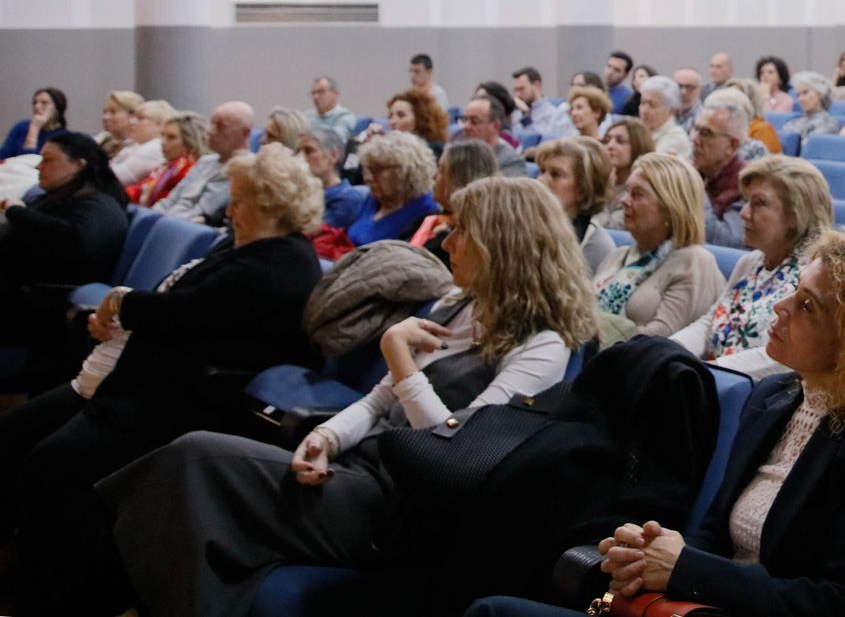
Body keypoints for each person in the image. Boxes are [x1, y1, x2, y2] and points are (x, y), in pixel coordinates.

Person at [104, 176, 598, 617]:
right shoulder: (459, 304)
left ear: (501, 245)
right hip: (360, 469)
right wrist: (326, 436)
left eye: (462, 232)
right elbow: (378, 401)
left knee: (195, 461)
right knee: (190, 477)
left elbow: (457, 453)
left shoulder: (544, 345)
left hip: (402, 508)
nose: (447, 242)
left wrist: (399, 357)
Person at [581, 233, 845, 617]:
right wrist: (650, 560)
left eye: (807, 305)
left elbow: (843, 604)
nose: (782, 306)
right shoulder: (772, 397)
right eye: (795, 289)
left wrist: (687, 570)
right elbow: (713, 533)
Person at [0, 143, 323, 614]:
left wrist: (119, 303)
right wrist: (121, 312)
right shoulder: (246, 247)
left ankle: (50, 594)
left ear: (270, 206)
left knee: (52, 464)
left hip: (179, 402)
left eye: (239, 201)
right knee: (16, 436)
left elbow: (186, 312)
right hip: (138, 384)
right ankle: (23, 569)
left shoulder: (284, 261)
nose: (229, 210)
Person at [672, 155, 830, 377]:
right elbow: (710, 323)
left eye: (759, 203)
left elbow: (785, 359)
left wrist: (708, 372)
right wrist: (670, 349)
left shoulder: (814, 277)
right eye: (746, 201)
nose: (744, 213)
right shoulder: (750, 262)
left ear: (796, 215)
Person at [594, 152, 723, 342]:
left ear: (672, 208)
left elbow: (663, 337)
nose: (624, 201)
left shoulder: (694, 262)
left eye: (637, 194)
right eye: (627, 190)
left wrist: (590, 332)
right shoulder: (617, 255)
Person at [0, 132, 130, 311]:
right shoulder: (62, 197)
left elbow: (70, 241)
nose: (39, 166)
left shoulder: (99, 205)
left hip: (40, 297)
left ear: (78, 165)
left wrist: (16, 212)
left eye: (48, 160)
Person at [154, 101, 255, 225]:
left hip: (183, 228)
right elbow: (171, 200)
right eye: (211, 123)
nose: (210, 131)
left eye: (221, 127)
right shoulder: (205, 161)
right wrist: (149, 218)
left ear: (245, 132)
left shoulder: (243, 168)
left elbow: (202, 212)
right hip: (168, 221)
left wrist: (158, 223)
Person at [411, 137, 501, 265]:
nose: (434, 176)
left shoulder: (471, 240)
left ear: (458, 179)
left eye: (441, 170)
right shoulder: (432, 218)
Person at [535, 136, 617, 275]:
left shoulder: (597, 247)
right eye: (542, 171)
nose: (540, 180)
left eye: (556, 175)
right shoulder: (531, 224)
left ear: (583, 189)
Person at [342, 132, 439, 246]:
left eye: (377, 170)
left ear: (405, 172)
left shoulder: (426, 211)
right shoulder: (374, 199)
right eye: (367, 169)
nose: (368, 178)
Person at [692, 98, 749, 249]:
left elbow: (728, 242)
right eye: (696, 129)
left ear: (732, 145)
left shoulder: (746, 184)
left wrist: (694, 188)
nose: (695, 140)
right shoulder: (697, 170)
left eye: (706, 133)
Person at [129, 110, 205, 208]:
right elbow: (140, 190)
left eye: (171, 137)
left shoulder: (187, 170)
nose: (163, 142)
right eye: (162, 135)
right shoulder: (168, 166)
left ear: (189, 142)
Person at [298, 127, 366, 228]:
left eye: (309, 151)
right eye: (297, 152)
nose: (300, 158)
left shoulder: (346, 199)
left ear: (334, 155)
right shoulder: (301, 192)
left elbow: (312, 232)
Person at [596, 117, 653, 230]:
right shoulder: (598, 179)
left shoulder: (640, 191)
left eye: (620, 141)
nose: (610, 146)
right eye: (606, 141)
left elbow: (610, 230)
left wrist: (603, 192)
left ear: (638, 147)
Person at [109, 99, 176, 187]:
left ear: (160, 125)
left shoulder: (155, 147)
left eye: (140, 118)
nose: (131, 122)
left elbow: (115, 178)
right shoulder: (135, 145)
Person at [460, 96, 529, 177]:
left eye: (474, 121)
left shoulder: (512, 161)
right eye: (464, 120)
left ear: (495, 125)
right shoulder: (459, 156)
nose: (466, 126)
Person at [1, 86, 69, 160]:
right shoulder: (21, 127)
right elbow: (2, 156)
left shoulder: (63, 137)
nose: (37, 107)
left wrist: (34, 129)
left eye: (44, 103)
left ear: (57, 108)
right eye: (35, 103)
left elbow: (32, 163)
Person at [511, 66, 576, 142]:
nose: (518, 94)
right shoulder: (515, 115)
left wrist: (526, 117)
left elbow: (546, 141)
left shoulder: (555, 113)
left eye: (522, 89)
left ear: (537, 85)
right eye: (516, 90)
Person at [636, 75, 692, 162]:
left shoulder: (675, 138)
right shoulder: (639, 130)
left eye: (652, 105)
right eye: (643, 103)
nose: (644, 110)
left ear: (671, 111)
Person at [783, 71, 840, 143]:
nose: (801, 99)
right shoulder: (793, 122)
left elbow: (809, 146)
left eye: (805, 92)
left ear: (820, 92)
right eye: (798, 95)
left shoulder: (830, 123)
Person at [305, 76, 357, 141]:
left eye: (321, 92)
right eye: (313, 93)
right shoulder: (306, 116)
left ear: (335, 93)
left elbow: (334, 139)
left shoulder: (345, 116)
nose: (315, 97)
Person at [97, 90, 144, 159]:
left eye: (113, 112)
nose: (105, 117)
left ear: (133, 115)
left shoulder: (141, 148)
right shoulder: (102, 140)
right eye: (105, 112)